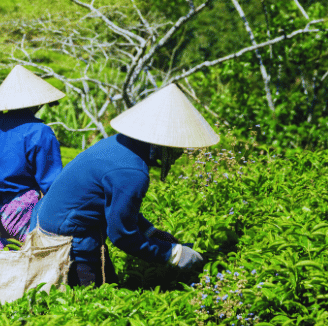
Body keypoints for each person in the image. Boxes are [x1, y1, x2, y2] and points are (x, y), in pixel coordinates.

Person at [28, 83, 217, 287]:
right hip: (64, 237)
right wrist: (174, 254)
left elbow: (114, 206)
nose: (179, 154)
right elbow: (122, 235)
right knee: (91, 299)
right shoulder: (132, 173)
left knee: (109, 283)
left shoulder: (120, 143)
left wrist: (150, 232)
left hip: (51, 219)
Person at [0, 65, 66, 250]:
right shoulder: (40, 131)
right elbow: (50, 181)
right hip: (24, 205)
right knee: (33, 254)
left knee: (7, 255)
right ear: (37, 104)